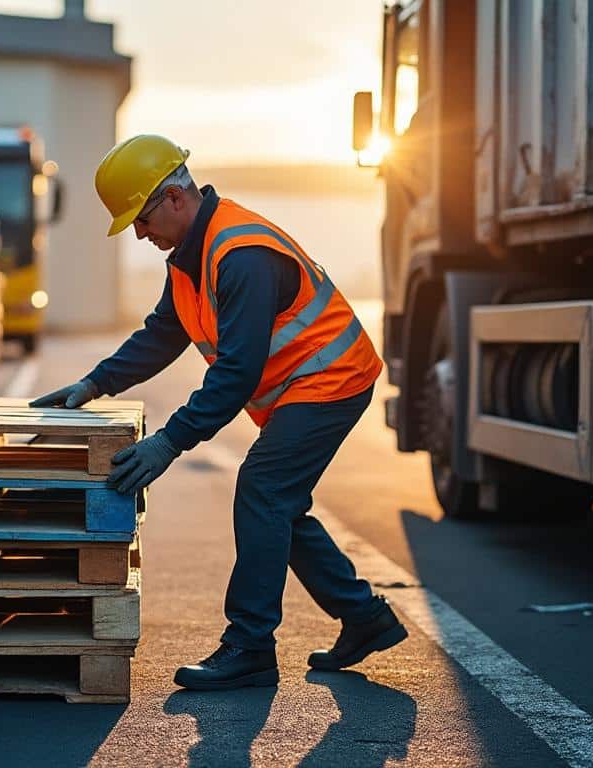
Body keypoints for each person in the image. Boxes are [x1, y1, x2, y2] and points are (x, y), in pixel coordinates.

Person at [30, 135, 407, 690]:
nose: (140, 234)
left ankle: (251, 646)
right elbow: (164, 332)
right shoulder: (190, 257)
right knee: (277, 504)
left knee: (263, 491)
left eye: (141, 219)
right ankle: (364, 617)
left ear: (174, 198)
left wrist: (169, 442)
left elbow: (236, 373)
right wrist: (94, 383)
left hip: (332, 378)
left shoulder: (241, 256)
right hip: (302, 386)